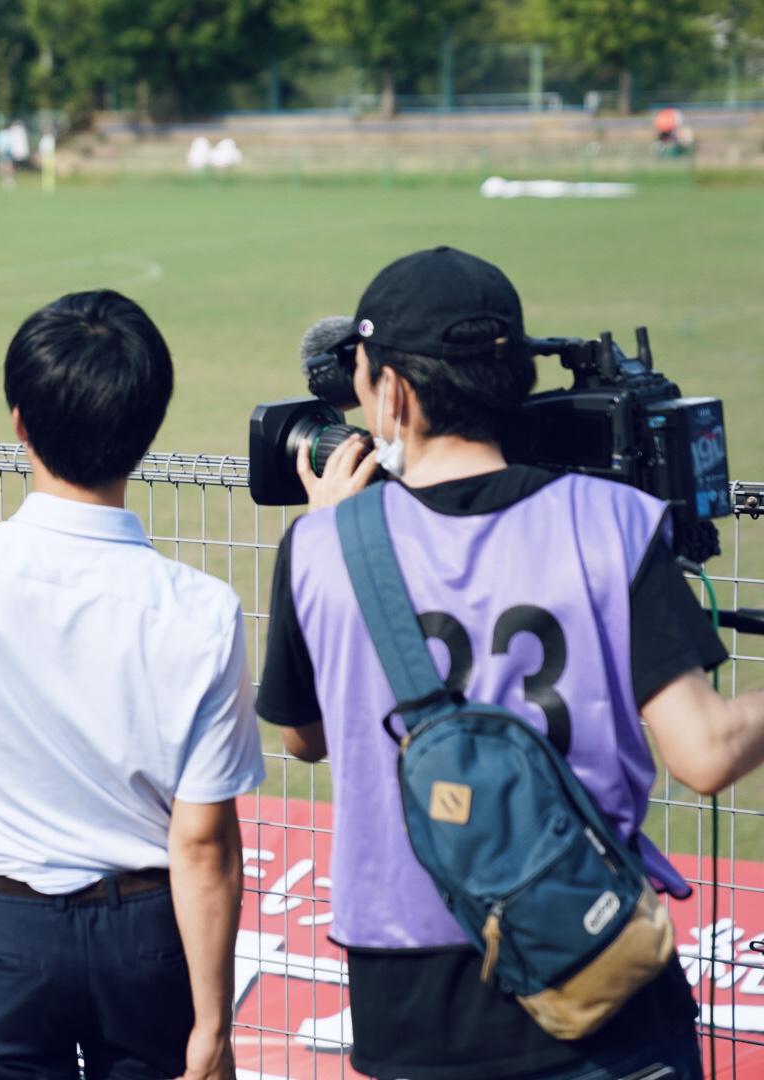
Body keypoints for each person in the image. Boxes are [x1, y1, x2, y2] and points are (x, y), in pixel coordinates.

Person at [257, 245, 764, 1080]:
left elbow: (301, 739)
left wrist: (329, 529)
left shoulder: (320, 547)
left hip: (408, 997)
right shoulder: (615, 521)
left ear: (392, 391)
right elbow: (706, 753)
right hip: (597, 961)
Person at [0, 290, 265, 1080]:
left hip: (0, 927)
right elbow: (204, 842)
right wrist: (214, 1029)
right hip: (146, 929)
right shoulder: (202, 611)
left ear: (20, 421)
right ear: (147, 425)